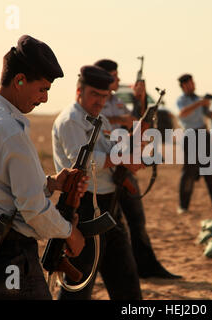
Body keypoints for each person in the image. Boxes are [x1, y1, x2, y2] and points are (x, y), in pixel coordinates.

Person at [0, 35, 87, 300]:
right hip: (9, 257)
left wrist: (51, 184)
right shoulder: (9, 131)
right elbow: (33, 208)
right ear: (19, 80)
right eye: (42, 89)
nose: (45, 99)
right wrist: (70, 233)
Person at [52, 65, 143, 300]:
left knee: (125, 277)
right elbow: (81, 162)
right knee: (80, 282)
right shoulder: (71, 120)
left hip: (108, 204)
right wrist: (121, 158)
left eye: (105, 96)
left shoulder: (100, 119)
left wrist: (132, 147)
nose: (100, 101)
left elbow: (110, 149)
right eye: (95, 94)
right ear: (79, 90)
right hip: (82, 206)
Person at [94, 59, 181, 279]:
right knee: (105, 228)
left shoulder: (115, 100)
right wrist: (121, 118)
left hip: (122, 164)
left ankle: (146, 266)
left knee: (136, 220)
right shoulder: (95, 101)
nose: (119, 79)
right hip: (104, 170)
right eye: (115, 75)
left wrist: (140, 100)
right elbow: (101, 122)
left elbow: (137, 122)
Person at [176, 74, 212, 214]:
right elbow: (182, 113)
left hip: (203, 134)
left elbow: (211, 115)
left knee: (210, 171)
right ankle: (183, 206)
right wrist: (200, 103)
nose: (193, 85)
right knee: (188, 173)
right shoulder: (182, 100)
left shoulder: (198, 99)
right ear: (184, 85)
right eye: (190, 83)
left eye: (193, 82)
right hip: (190, 135)